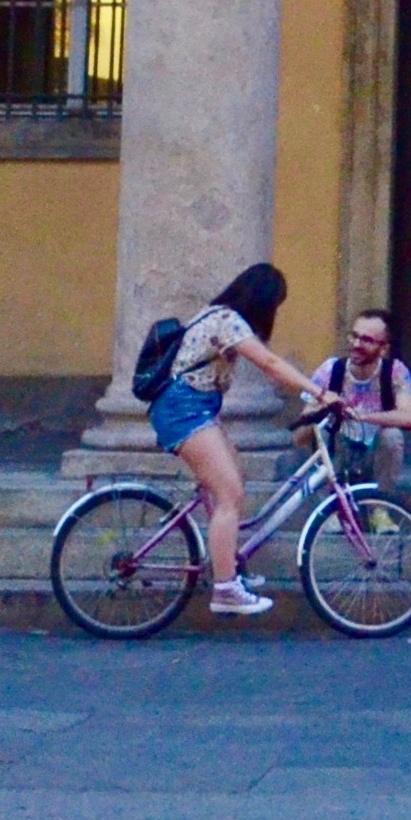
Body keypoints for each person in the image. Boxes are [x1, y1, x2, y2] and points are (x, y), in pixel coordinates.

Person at [148, 262, 325, 620]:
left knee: (235, 479)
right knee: (229, 494)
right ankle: (226, 589)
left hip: (196, 407)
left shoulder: (221, 315)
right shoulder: (226, 320)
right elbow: (269, 363)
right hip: (184, 409)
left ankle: (227, 564)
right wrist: (318, 391)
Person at [307, 309, 411, 487]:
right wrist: (324, 405)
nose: (356, 344)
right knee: (323, 432)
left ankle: (380, 501)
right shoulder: (331, 369)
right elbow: (302, 429)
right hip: (338, 449)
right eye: (354, 336)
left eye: (367, 340)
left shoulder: (395, 371)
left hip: (375, 454)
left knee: (392, 436)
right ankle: (329, 500)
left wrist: (362, 417)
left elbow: (409, 417)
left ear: (384, 348)